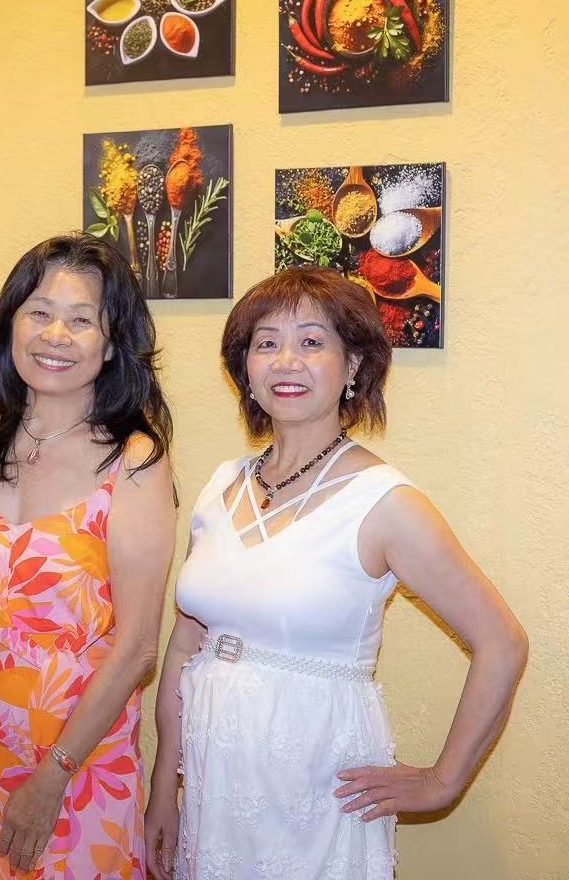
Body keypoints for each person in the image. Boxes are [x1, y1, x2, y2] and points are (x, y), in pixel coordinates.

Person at [145, 266, 529, 880]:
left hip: (317, 790)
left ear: (353, 365)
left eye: (311, 341)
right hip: (215, 785)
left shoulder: (385, 502)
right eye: (266, 343)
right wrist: (166, 784)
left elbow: (503, 642)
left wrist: (442, 781)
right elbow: (187, 642)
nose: (286, 361)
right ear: (245, 368)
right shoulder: (221, 486)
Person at [0, 233, 178, 878]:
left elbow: (138, 648)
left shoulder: (133, 463)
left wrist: (52, 777)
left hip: (77, 762)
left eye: (81, 320)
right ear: (9, 324)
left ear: (112, 344)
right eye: (39, 312)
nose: (55, 335)